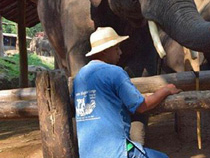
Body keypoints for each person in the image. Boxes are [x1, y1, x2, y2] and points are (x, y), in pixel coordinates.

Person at [73, 27, 181, 158]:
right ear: (105, 51)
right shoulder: (115, 72)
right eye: (116, 48)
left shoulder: (79, 77)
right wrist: (166, 90)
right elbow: (141, 106)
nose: (120, 52)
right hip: (117, 151)